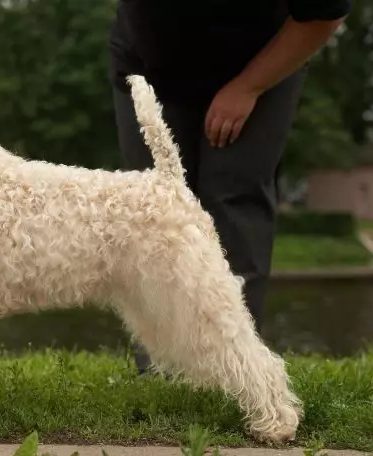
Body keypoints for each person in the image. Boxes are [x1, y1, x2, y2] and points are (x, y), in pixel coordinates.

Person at [108, 1, 350, 374]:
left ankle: (237, 372)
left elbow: (324, 14)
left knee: (234, 198)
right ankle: (159, 372)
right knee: (151, 220)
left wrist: (248, 87)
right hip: (149, 65)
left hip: (263, 56)